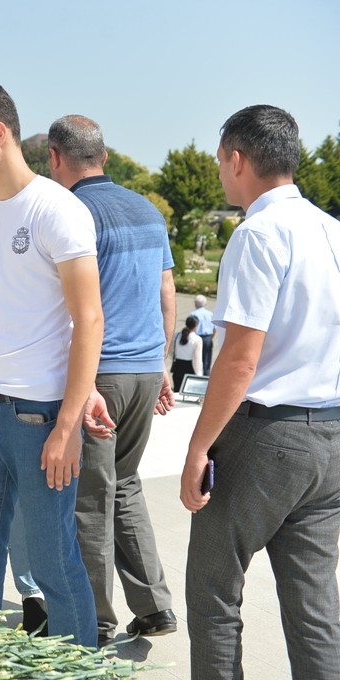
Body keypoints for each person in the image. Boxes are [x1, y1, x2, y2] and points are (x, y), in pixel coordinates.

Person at [0, 79, 102, 647]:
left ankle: (86, 665)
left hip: (38, 419)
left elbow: (90, 322)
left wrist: (67, 426)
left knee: (55, 565)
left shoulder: (58, 211)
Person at [180, 105, 340, 679]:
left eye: (221, 161)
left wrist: (200, 448)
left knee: (214, 592)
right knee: (316, 608)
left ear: (238, 158)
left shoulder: (257, 234)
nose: (222, 173)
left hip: (264, 435)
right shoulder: (332, 231)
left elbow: (240, 358)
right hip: (329, 433)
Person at [48, 114, 177, 645]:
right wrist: (163, 364)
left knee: (89, 502)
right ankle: (155, 606)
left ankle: (93, 619)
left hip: (101, 377)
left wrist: (83, 386)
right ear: (104, 154)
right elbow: (167, 292)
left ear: (56, 158)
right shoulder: (147, 209)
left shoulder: (72, 212)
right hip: (147, 371)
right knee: (124, 487)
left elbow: (68, 310)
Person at [170, 315, 203, 392]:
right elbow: (197, 359)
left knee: (177, 391)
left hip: (177, 367)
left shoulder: (176, 335)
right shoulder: (197, 339)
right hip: (189, 367)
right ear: (196, 325)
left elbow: (170, 351)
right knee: (188, 392)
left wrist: (175, 356)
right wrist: (199, 373)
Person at [191, 295, 215, 375]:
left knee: (196, 359)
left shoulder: (193, 314)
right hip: (208, 338)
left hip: (197, 338)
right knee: (207, 361)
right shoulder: (210, 314)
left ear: (195, 304)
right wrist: (211, 337)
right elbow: (214, 329)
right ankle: (206, 377)